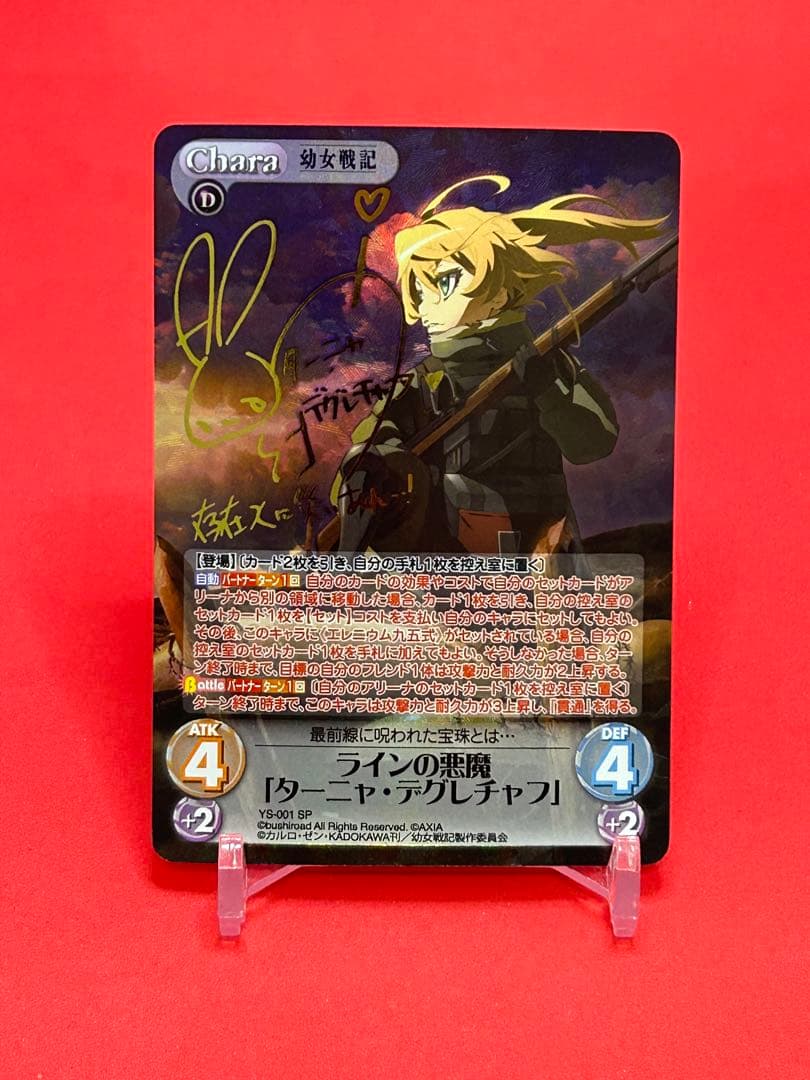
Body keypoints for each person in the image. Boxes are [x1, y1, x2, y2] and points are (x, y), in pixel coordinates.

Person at [332, 175, 665, 555]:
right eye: (420, 291)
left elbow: (596, 442)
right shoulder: (422, 384)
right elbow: (355, 470)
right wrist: (387, 465)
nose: (427, 306)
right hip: (451, 554)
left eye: (445, 282)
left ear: (500, 287)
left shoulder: (547, 362)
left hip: (540, 548)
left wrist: (547, 391)